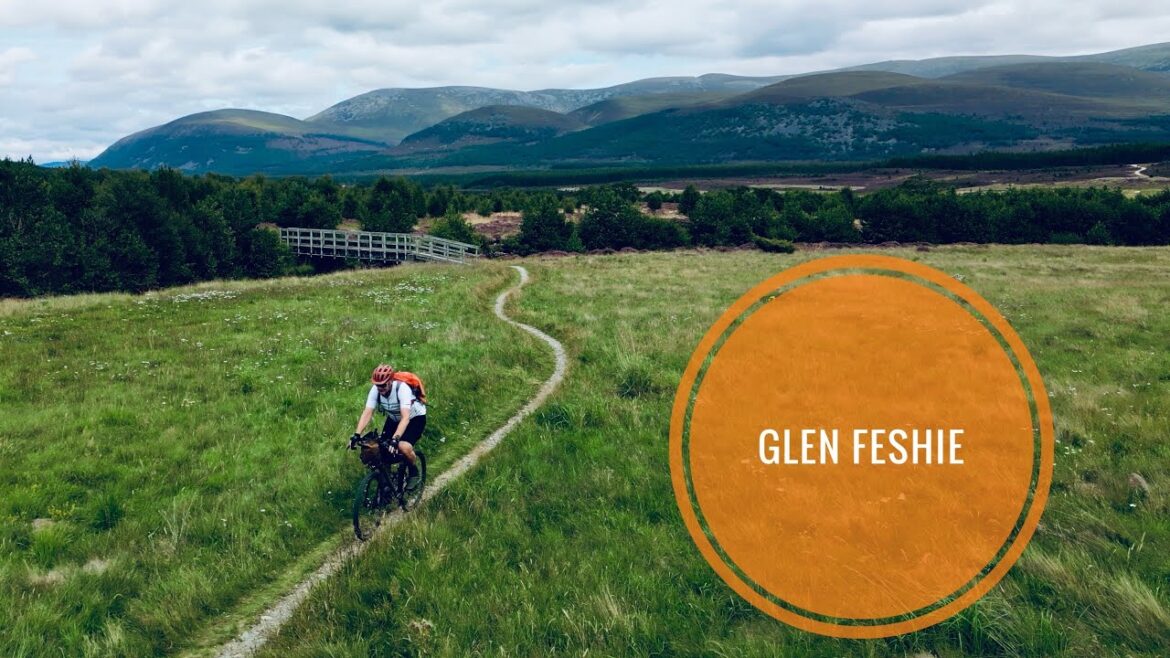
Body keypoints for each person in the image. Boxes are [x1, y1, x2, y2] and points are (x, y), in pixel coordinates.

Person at [352, 364, 426, 482]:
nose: (380, 388)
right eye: (377, 385)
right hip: (394, 418)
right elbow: (367, 412)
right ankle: (386, 486)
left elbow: (405, 418)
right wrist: (356, 434)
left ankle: (413, 471)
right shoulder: (375, 390)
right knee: (380, 448)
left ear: (391, 381)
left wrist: (395, 438)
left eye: (383, 385)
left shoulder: (402, 389)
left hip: (414, 418)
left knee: (403, 446)